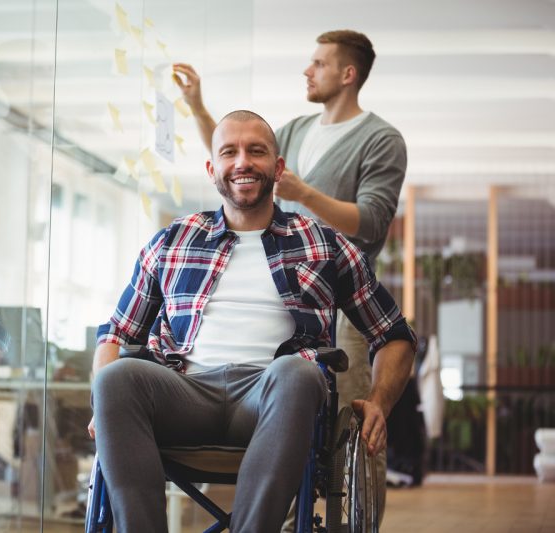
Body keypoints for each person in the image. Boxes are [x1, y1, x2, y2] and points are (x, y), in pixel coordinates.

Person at [88, 110, 415, 532]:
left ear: (278, 168)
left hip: (273, 395)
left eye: (256, 151)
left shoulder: (322, 243)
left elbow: (393, 333)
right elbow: (116, 332)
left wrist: (380, 403)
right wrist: (104, 406)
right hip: (184, 389)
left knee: (297, 373)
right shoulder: (173, 240)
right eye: (230, 152)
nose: (242, 162)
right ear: (213, 170)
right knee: (114, 380)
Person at [173, 30, 407, 521]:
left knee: (355, 423)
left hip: (336, 292)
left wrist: (304, 196)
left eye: (318, 63)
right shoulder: (297, 128)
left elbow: (371, 222)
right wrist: (197, 107)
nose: (307, 70)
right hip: (271, 275)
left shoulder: (380, 140)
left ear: (348, 74)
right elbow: (237, 159)